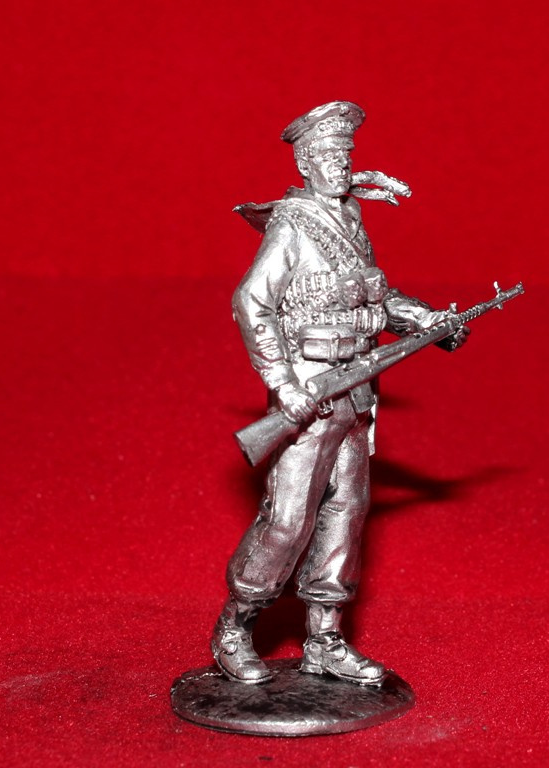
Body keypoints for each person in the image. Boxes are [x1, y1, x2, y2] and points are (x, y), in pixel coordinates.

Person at [211, 101, 468, 686]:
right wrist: (282, 384)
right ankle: (235, 629)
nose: (340, 167)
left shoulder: (350, 219)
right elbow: (252, 302)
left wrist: (426, 320)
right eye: (327, 157)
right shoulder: (292, 225)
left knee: (345, 515)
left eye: (345, 156)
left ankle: (324, 640)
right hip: (311, 389)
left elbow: (372, 298)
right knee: (288, 520)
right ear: (305, 164)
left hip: (356, 392)